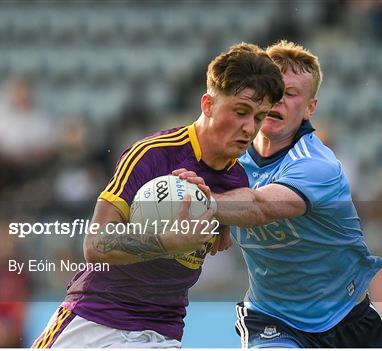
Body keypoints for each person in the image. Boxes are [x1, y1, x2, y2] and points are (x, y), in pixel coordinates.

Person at [32, 43, 284, 348]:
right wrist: (167, 241)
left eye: (259, 118)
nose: (249, 128)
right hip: (95, 321)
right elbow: (95, 243)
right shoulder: (153, 155)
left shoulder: (236, 178)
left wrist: (219, 221)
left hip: (160, 332)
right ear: (208, 105)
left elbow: (233, 224)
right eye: (240, 112)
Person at [175, 40, 382, 347]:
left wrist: (205, 204)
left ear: (310, 108)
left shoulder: (318, 165)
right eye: (273, 92)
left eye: (291, 94)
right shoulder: (227, 159)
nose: (278, 102)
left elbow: (260, 207)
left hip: (345, 321)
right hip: (271, 318)